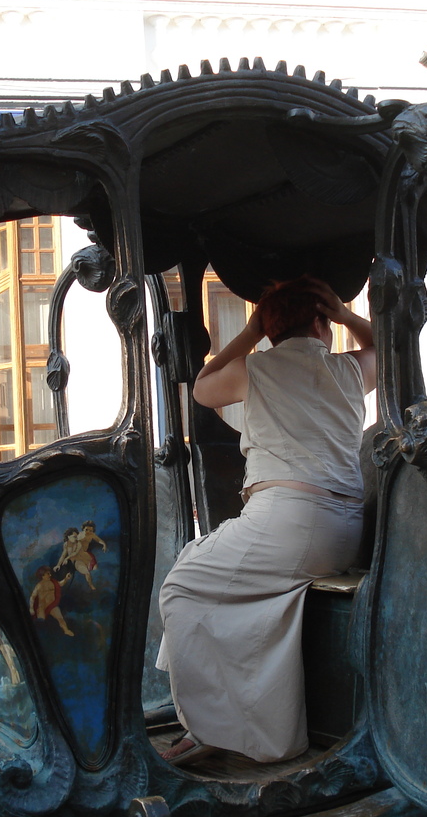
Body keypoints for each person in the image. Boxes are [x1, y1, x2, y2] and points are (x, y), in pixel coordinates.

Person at [157, 276, 376, 768]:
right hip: (343, 531)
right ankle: (231, 721)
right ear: (322, 322)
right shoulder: (349, 369)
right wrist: (347, 316)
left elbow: (202, 388)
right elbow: (388, 349)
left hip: (287, 524)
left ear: (269, 329)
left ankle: (208, 728)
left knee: (180, 589)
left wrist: (252, 330)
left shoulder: (256, 369)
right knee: (207, 569)